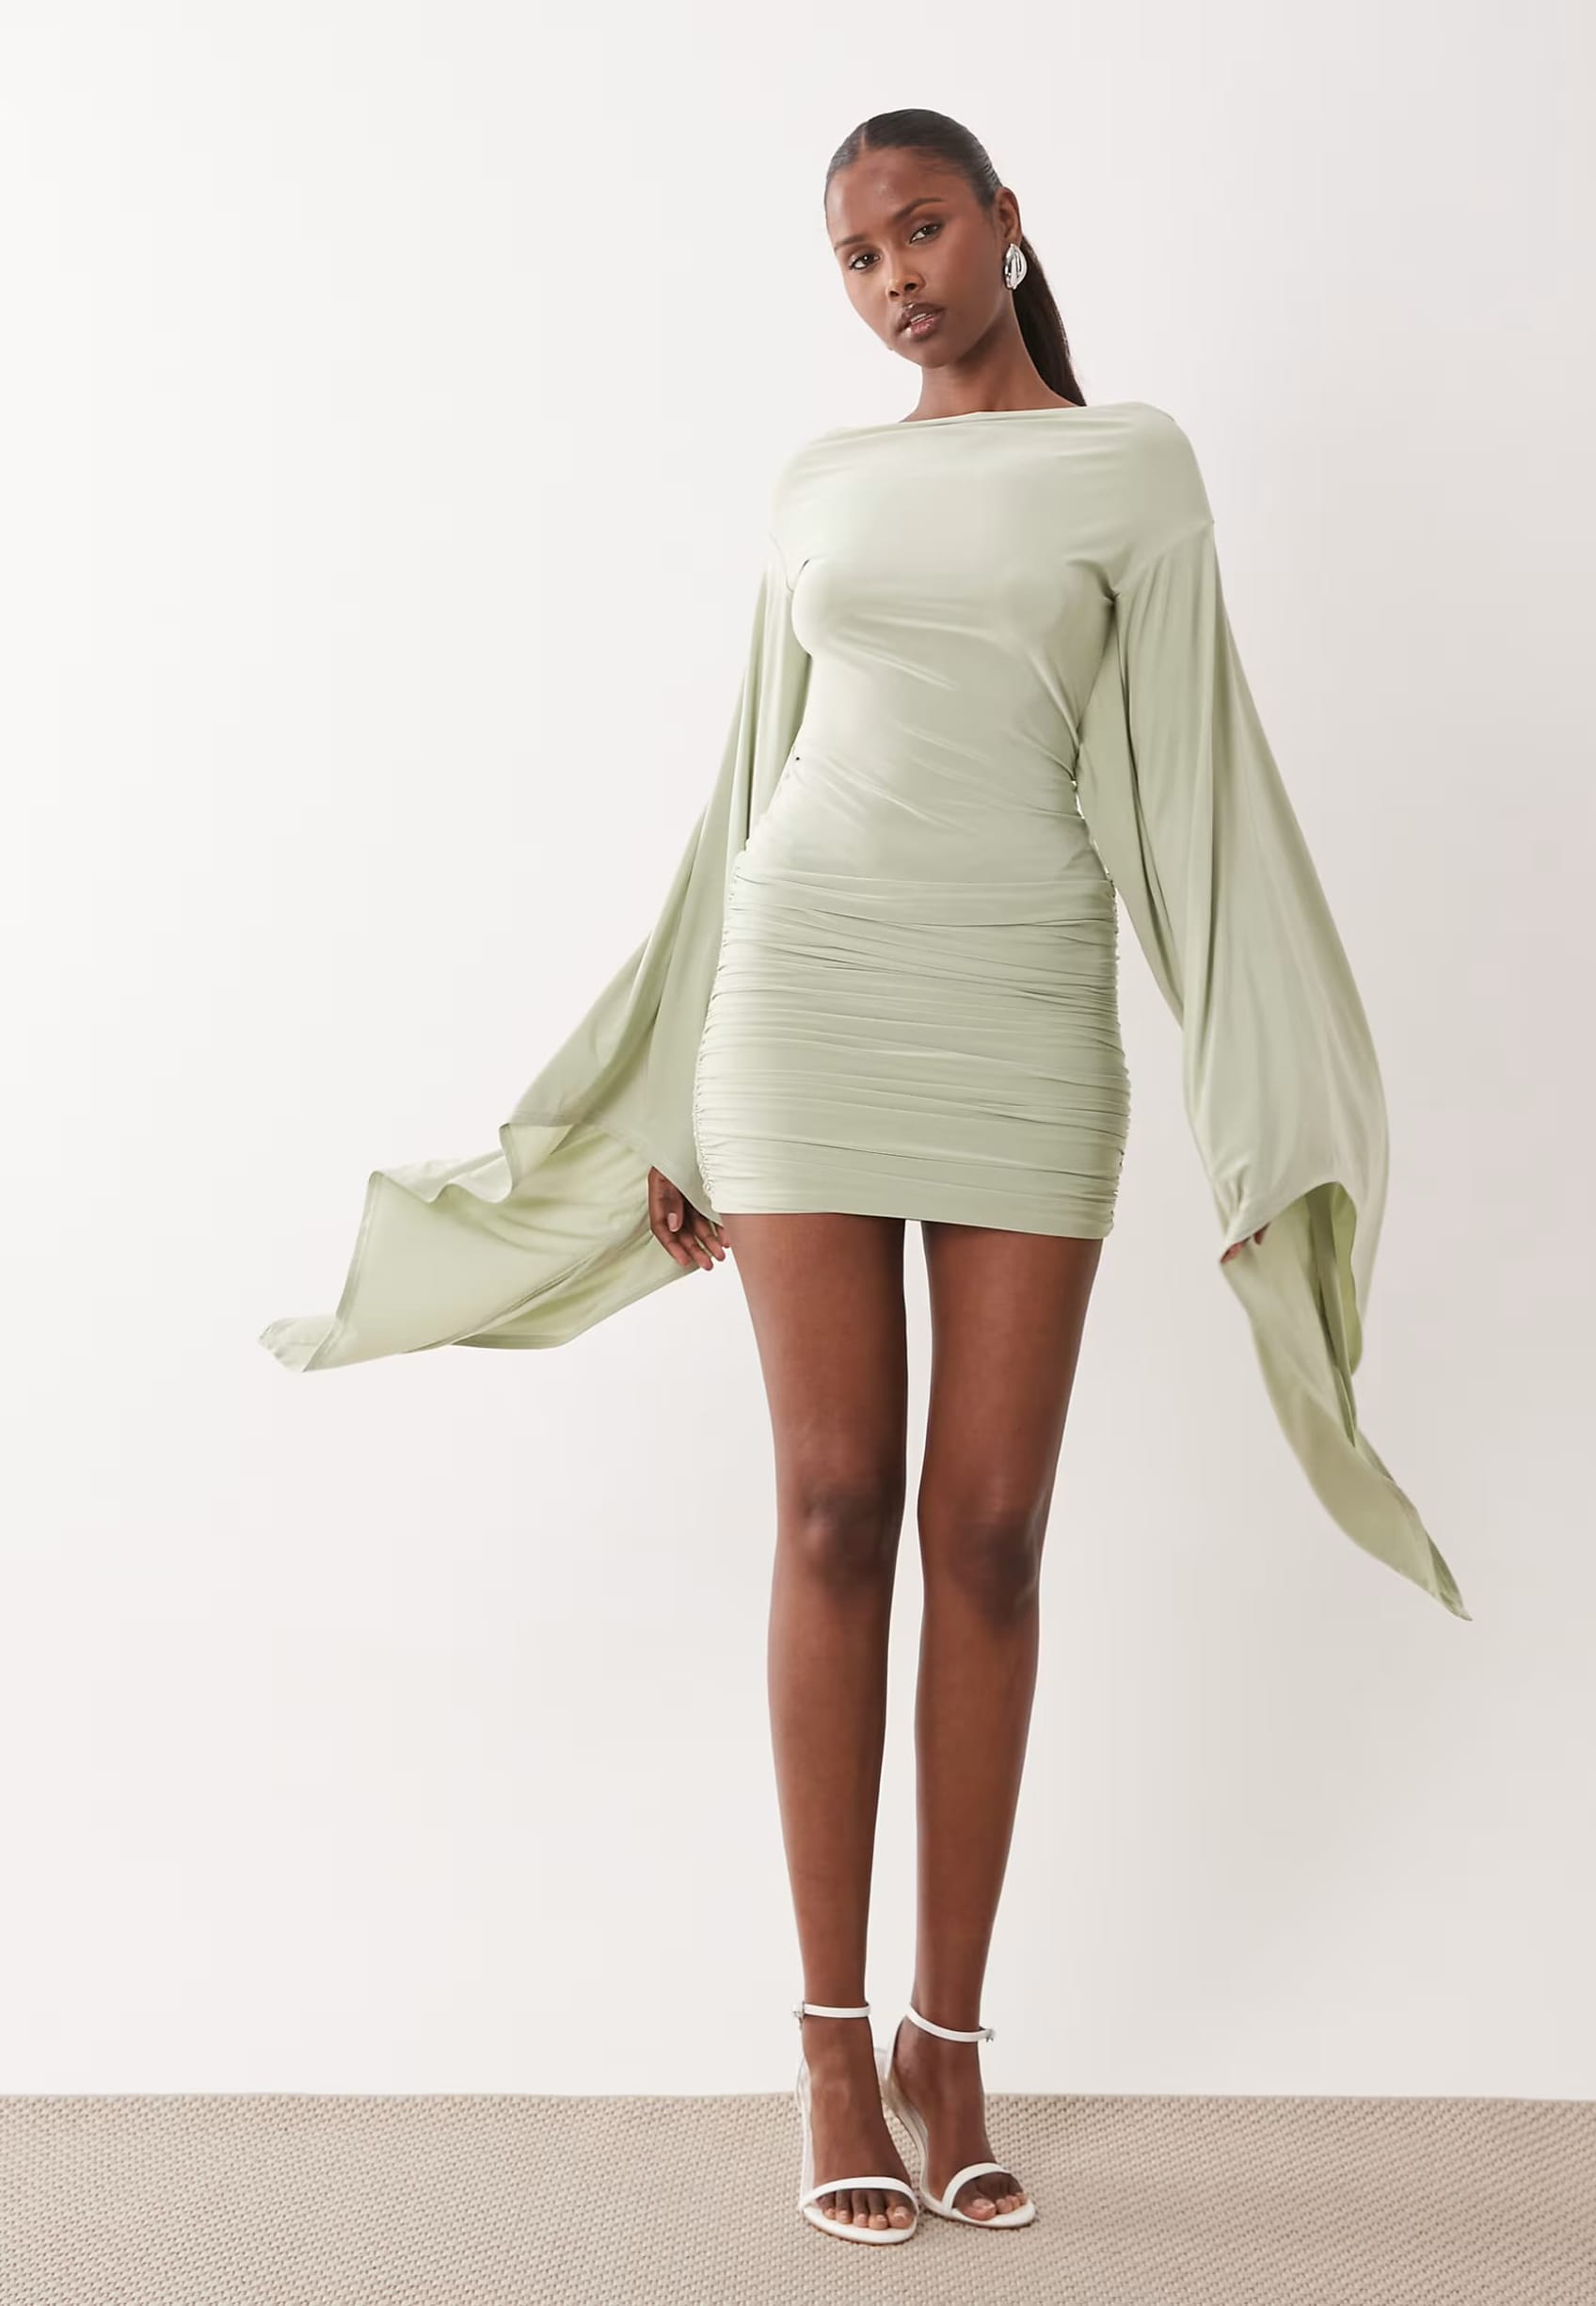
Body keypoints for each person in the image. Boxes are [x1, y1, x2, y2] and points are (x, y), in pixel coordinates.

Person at [261, 107, 1471, 2247]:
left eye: (922, 228)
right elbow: (747, 783)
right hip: (803, 998)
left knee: (988, 1531)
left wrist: (1255, 1111)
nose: (895, 276)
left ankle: (950, 2039)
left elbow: (1200, 789)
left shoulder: (1133, 469)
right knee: (833, 1506)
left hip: (1024, 1007)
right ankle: (830, 2040)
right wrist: (672, 1096)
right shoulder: (821, 483)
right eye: (855, 254)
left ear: (1005, 221)